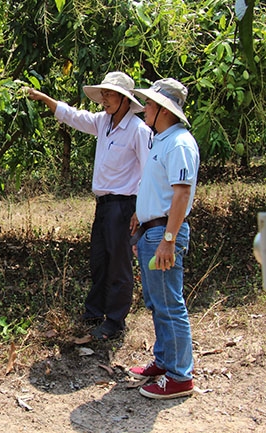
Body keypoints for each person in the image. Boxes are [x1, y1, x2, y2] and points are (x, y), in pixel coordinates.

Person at [27, 72, 151, 340]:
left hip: (124, 205)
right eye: (103, 94)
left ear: (125, 100)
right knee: (99, 260)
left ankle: (115, 321)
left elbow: (149, 171)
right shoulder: (103, 123)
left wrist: (140, 211)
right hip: (104, 204)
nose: (104, 100)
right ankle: (95, 311)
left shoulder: (138, 130)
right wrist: (44, 98)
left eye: (110, 95)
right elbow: (73, 116)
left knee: (119, 263)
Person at [127, 78, 199, 399]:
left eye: (150, 105)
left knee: (170, 303)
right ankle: (165, 361)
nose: (145, 110)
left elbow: (181, 194)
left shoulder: (179, 143)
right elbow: (157, 187)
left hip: (164, 232)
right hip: (152, 229)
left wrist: (168, 238)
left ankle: (180, 376)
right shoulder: (161, 141)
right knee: (157, 302)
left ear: (164, 110)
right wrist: (139, 216)